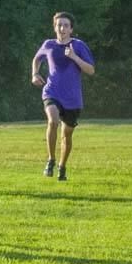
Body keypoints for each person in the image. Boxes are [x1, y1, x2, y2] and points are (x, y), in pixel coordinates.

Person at [32, 12, 95, 182]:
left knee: (66, 135)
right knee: (53, 121)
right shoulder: (48, 44)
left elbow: (90, 70)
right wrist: (34, 73)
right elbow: (37, 59)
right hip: (52, 91)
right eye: (59, 25)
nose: (62, 28)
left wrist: (74, 57)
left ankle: (62, 167)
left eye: (66, 25)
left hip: (73, 98)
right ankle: (51, 160)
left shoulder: (79, 45)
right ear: (54, 27)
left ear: (71, 29)